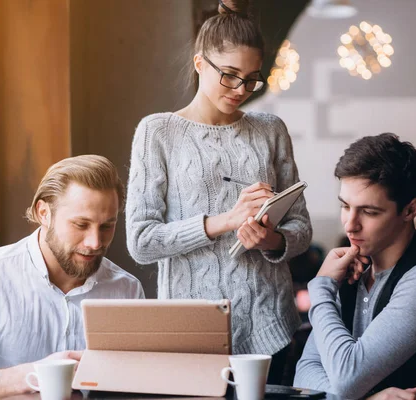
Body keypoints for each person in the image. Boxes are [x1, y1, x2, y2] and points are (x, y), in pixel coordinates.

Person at [125, 0, 312, 384]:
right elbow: (141, 241)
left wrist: (270, 240)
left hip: (269, 323)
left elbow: (302, 230)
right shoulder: (157, 132)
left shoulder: (270, 129)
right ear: (199, 64)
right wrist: (225, 221)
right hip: (190, 328)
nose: (241, 89)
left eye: (252, 78)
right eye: (229, 75)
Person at [0, 155, 145, 400]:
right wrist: (39, 374)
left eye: (107, 226)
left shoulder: (127, 289)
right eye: (80, 224)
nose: (95, 242)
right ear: (43, 212)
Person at [294, 133, 416, 399]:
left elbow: (347, 377)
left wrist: (321, 287)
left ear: (410, 210)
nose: (350, 224)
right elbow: (305, 374)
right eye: (345, 206)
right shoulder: (351, 272)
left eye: (369, 212)